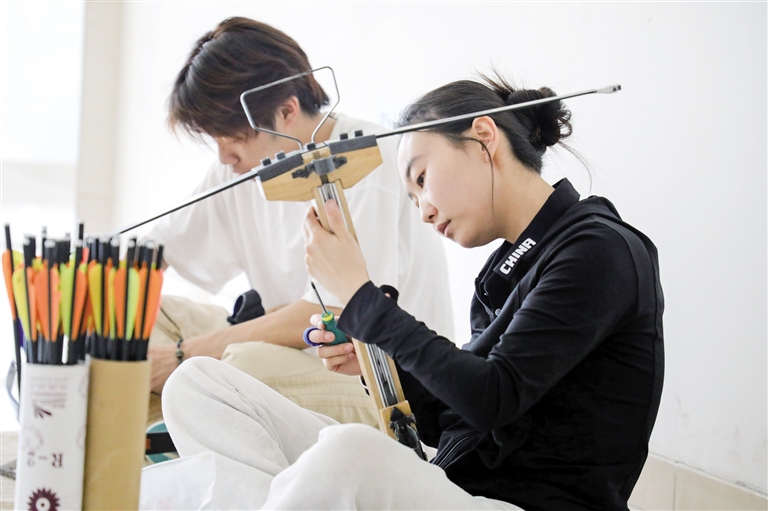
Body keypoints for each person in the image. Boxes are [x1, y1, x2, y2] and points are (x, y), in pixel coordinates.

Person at [160, 76, 664, 510]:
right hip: (454, 485)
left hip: (523, 504)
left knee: (348, 452)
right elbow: (453, 423)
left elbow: (492, 398)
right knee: (198, 385)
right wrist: (375, 358)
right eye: (412, 194)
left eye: (422, 178)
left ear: (484, 137)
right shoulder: (503, 273)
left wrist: (362, 300)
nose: (423, 210)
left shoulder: (597, 250)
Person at [145, 17, 452, 426]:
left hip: (374, 378)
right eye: (214, 139)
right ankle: (139, 455)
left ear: (286, 110)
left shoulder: (366, 162)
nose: (223, 156)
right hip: (292, 355)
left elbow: (342, 309)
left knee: (234, 366)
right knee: (144, 319)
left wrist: (186, 352)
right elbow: (156, 250)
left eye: (232, 138)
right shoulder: (237, 168)